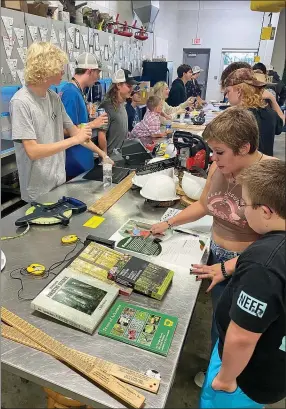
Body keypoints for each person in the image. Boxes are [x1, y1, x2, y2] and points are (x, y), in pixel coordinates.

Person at [150, 107, 273, 386]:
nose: (213, 159)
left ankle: (229, 381)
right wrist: (168, 224)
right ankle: (219, 368)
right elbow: (205, 205)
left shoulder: (270, 179)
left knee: (241, 329)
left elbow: (276, 246)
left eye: (219, 152)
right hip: (215, 257)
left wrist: (228, 267)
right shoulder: (220, 167)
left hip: (247, 266)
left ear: (244, 147)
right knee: (220, 321)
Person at [200, 159, 286, 409]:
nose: (243, 210)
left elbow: (241, 339)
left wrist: (225, 379)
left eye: (246, 204)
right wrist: (227, 267)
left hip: (245, 378)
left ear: (266, 211)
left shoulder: (263, 267)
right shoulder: (274, 248)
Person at [10, 42, 92, 203]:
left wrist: (103, 155)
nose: (63, 71)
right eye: (59, 67)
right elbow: (33, 151)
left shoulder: (53, 98)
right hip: (37, 191)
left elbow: (77, 133)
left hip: (58, 183)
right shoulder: (21, 102)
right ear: (46, 68)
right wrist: (74, 140)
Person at [60, 52, 109, 179]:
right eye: (97, 73)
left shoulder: (78, 92)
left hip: (82, 162)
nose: (98, 77)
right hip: (74, 163)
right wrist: (93, 124)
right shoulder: (70, 93)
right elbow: (65, 130)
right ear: (89, 71)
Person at [224, 68, 284, 156]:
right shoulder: (270, 113)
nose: (226, 96)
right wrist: (272, 98)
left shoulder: (236, 118)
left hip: (244, 168)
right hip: (265, 167)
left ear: (239, 91)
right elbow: (281, 122)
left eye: (228, 91)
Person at [97, 69, 139, 156]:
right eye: (128, 86)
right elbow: (101, 134)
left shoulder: (122, 104)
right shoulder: (107, 106)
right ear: (118, 85)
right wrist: (105, 157)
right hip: (111, 158)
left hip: (121, 156)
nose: (131, 89)